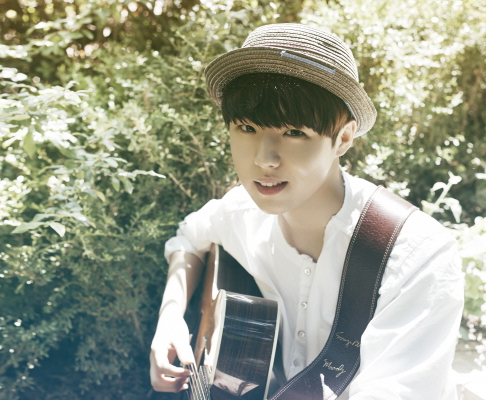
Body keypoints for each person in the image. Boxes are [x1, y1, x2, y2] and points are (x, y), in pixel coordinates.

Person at [149, 23, 464, 400]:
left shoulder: (417, 257)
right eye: (247, 127)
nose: (264, 158)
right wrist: (170, 318)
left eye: (294, 133)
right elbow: (189, 238)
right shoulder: (242, 213)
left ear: (343, 138)